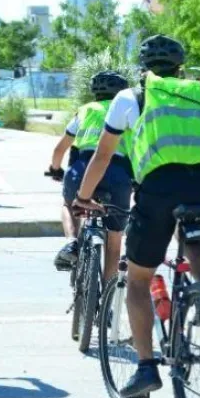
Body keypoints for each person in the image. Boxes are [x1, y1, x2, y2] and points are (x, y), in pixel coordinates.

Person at [73, 35, 200, 398]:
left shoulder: (132, 97)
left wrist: (82, 197)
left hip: (161, 185)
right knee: (194, 239)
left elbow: (103, 156)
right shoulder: (199, 92)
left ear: (142, 69)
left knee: (139, 279)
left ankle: (145, 368)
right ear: (180, 67)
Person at [47, 71, 132, 282]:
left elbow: (60, 149)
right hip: (117, 174)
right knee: (114, 240)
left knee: (68, 205)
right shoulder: (128, 110)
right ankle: (107, 300)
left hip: (81, 170)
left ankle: (71, 240)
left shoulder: (85, 111)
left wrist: (55, 169)